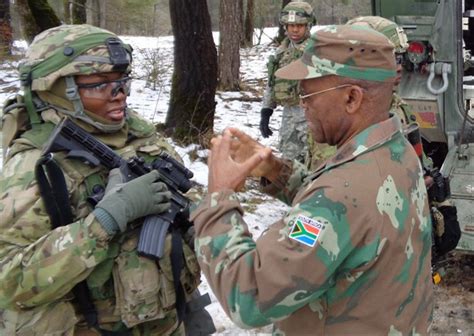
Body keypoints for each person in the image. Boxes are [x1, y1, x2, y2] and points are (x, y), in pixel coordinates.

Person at [191, 25, 433, 334]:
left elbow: (249, 298)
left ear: (351, 98)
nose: (302, 104)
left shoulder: (338, 196)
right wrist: (275, 170)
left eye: (308, 94)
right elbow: (348, 215)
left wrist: (218, 199)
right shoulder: (397, 150)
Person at [0, 24, 214, 335]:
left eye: (122, 82)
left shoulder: (141, 137)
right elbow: (10, 279)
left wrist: (203, 226)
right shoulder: (35, 167)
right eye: (100, 85)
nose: (120, 95)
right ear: (57, 88)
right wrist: (106, 220)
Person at [259, 1, 315, 162]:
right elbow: (272, 82)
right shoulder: (281, 51)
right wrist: (266, 112)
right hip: (289, 116)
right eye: (290, 26)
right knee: (289, 162)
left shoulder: (315, 51)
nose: (295, 30)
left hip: (311, 117)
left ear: (308, 25)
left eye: (299, 25)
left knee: (313, 160)